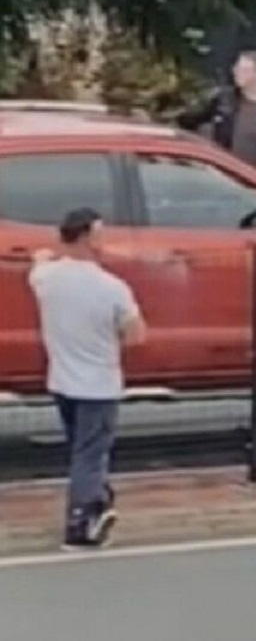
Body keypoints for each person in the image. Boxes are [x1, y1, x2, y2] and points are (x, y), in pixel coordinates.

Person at [29, 208, 146, 549]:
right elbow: (136, 335)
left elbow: (38, 263)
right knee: (91, 455)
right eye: (100, 233)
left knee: (81, 450)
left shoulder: (45, 279)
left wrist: (42, 256)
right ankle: (81, 522)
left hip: (62, 381)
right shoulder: (111, 287)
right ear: (87, 236)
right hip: (99, 384)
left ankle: (98, 498)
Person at [177, 49, 256, 168]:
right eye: (236, 68)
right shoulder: (222, 99)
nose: (236, 72)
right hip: (225, 173)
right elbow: (189, 120)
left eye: (244, 70)